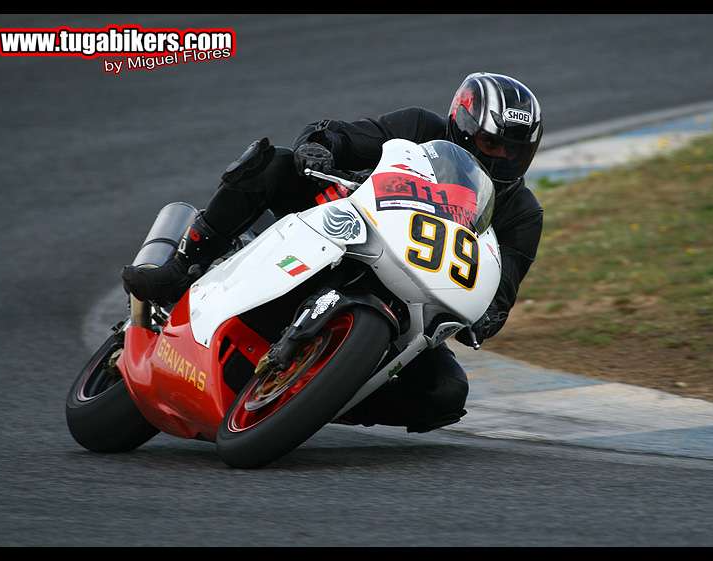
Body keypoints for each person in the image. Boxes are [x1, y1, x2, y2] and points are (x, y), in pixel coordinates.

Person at [122, 72, 544, 433]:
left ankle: (316, 398)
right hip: (346, 222)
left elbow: (501, 289)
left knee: (446, 392)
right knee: (274, 164)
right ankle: (182, 266)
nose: (503, 158)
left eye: (515, 150)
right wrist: (321, 146)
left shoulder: (522, 213)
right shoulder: (418, 126)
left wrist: (484, 319)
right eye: (493, 144)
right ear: (464, 127)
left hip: (416, 293)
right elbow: (342, 136)